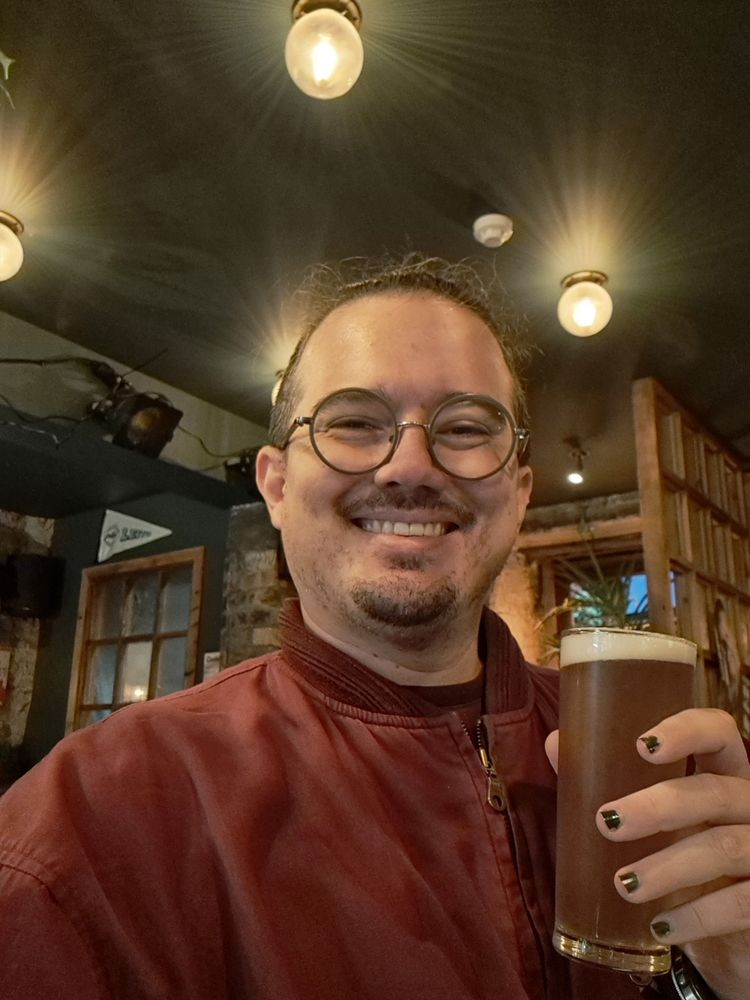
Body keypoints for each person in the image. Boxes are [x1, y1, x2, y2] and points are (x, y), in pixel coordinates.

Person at [0, 253, 748, 1000]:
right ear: (277, 484)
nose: (412, 465)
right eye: (355, 422)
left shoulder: (649, 769)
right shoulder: (92, 823)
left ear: (519, 496)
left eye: (465, 427)